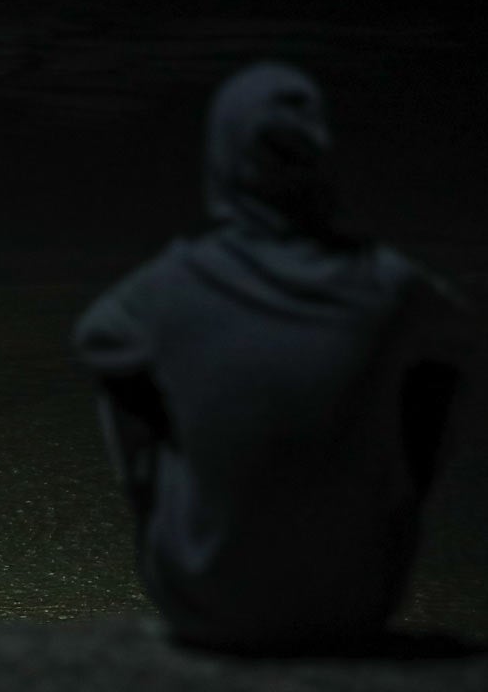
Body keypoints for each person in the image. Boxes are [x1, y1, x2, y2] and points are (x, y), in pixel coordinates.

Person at [71, 60, 476, 655]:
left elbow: (95, 337)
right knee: (434, 372)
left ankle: (186, 526)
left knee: (127, 376)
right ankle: (377, 519)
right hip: (357, 604)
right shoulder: (386, 283)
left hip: (207, 605)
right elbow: (461, 339)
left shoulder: (175, 283)